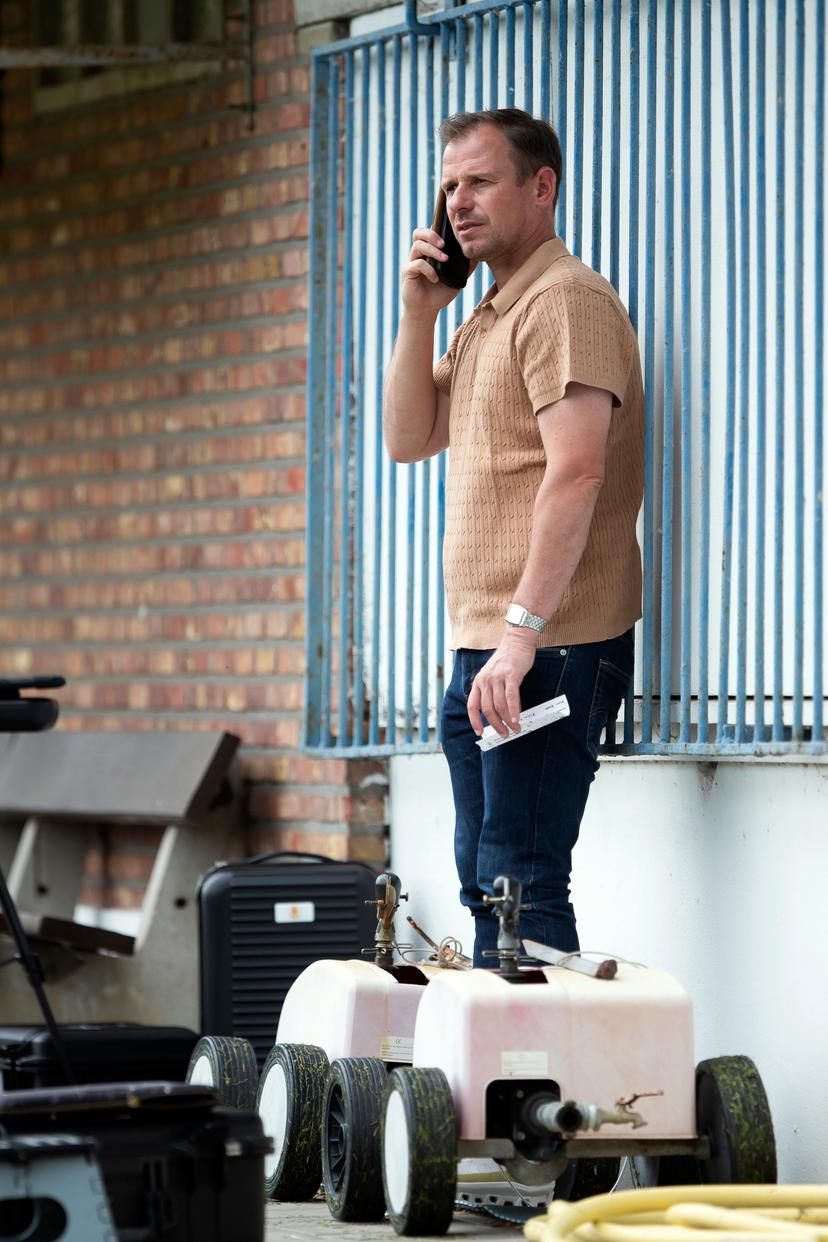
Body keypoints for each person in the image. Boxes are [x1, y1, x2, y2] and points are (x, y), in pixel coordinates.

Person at [383, 108, 644, 966]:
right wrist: (421, 311)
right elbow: (407, 437)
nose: (457, 202)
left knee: (518, 879)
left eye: (479, 181)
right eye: (450, 184)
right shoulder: (492, 311)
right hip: (488, 647)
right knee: (485, 883)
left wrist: (520, 636)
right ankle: (512, 1084)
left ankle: (548, 1087)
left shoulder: (565, 300)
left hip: (547, 644)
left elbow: (578, 473)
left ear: (542, 187)